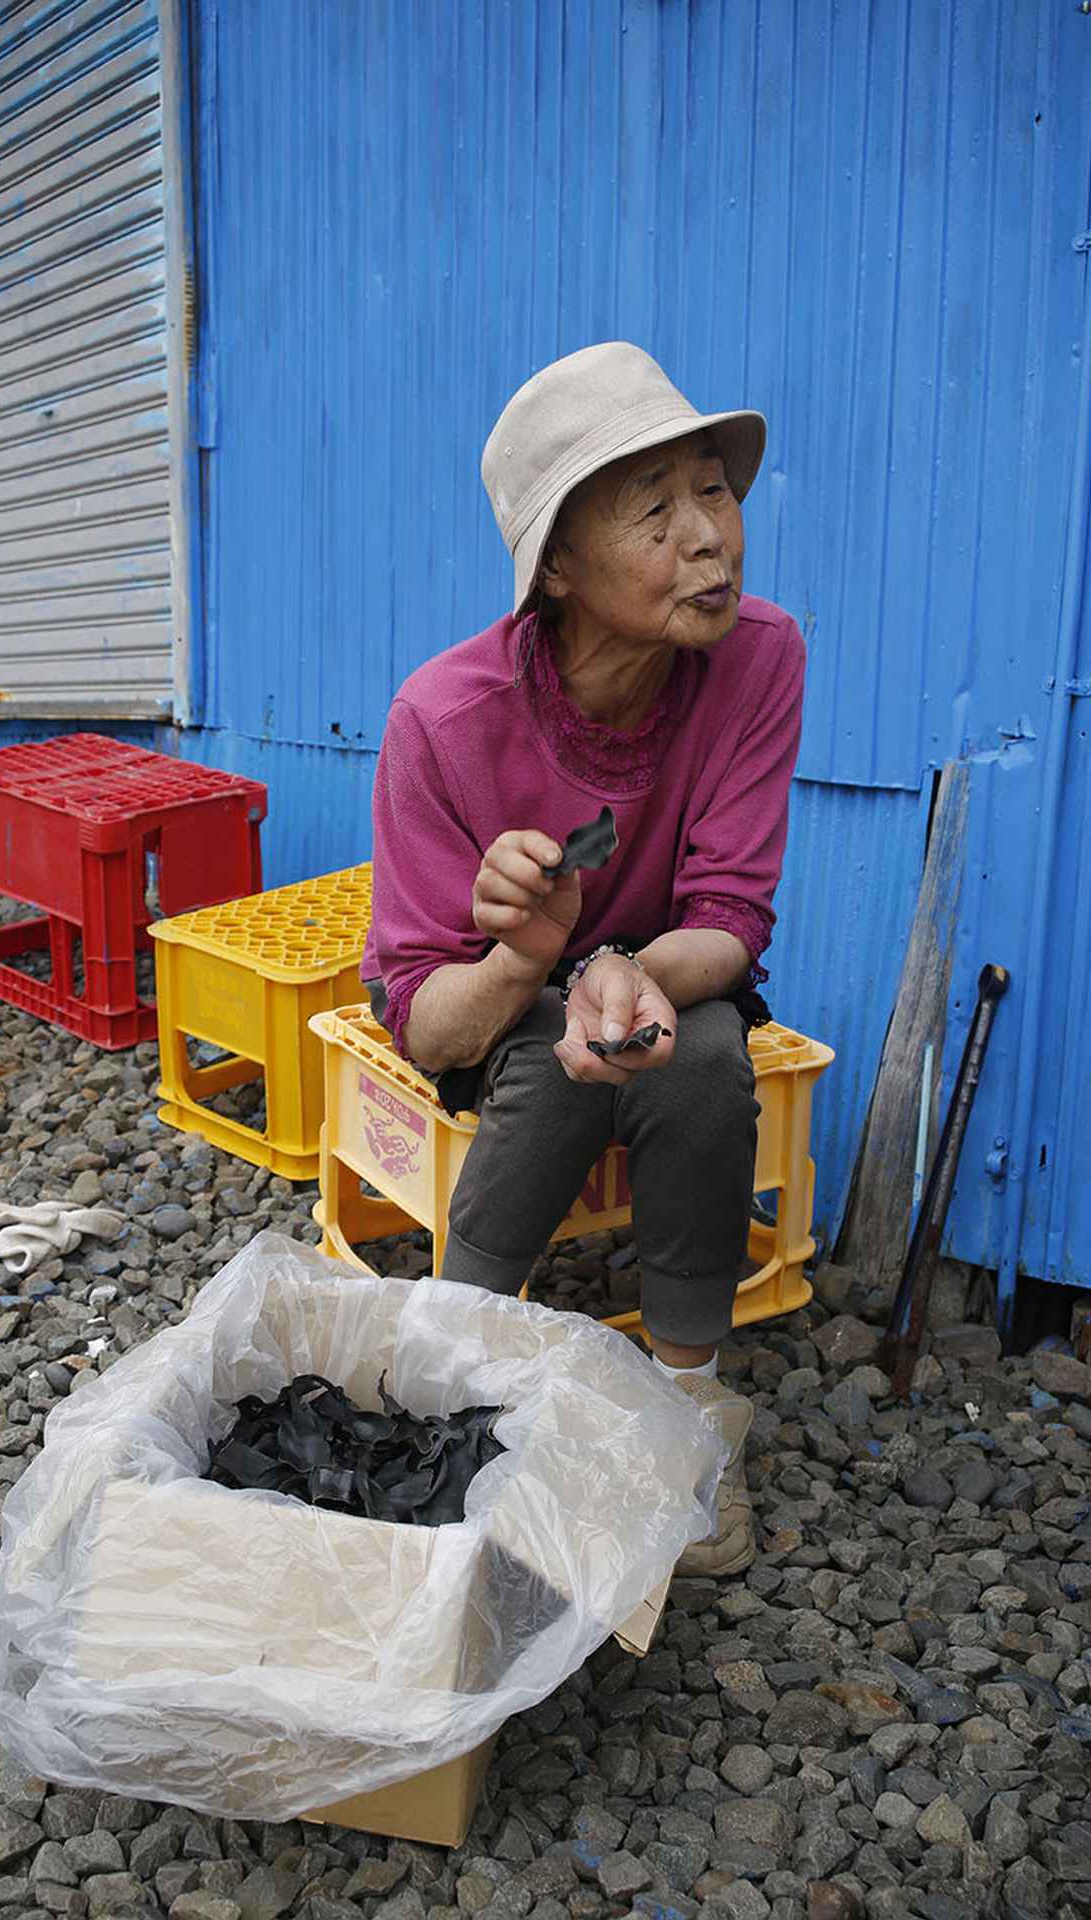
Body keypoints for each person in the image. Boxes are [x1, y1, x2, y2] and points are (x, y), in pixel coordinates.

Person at [361, 343, 805, 1577]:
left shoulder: (757, 656)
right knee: (560, 1064)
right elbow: (425, 1024)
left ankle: (687, 1402)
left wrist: (623, 973)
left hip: (670, 975)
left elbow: (730, 912)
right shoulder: (441, 723)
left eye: (711, 490)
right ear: (555, 564)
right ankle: (448, 1361)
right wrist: (526, 964)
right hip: (494, 999)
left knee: (699, 1051)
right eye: (652, 510)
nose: (708, 537)